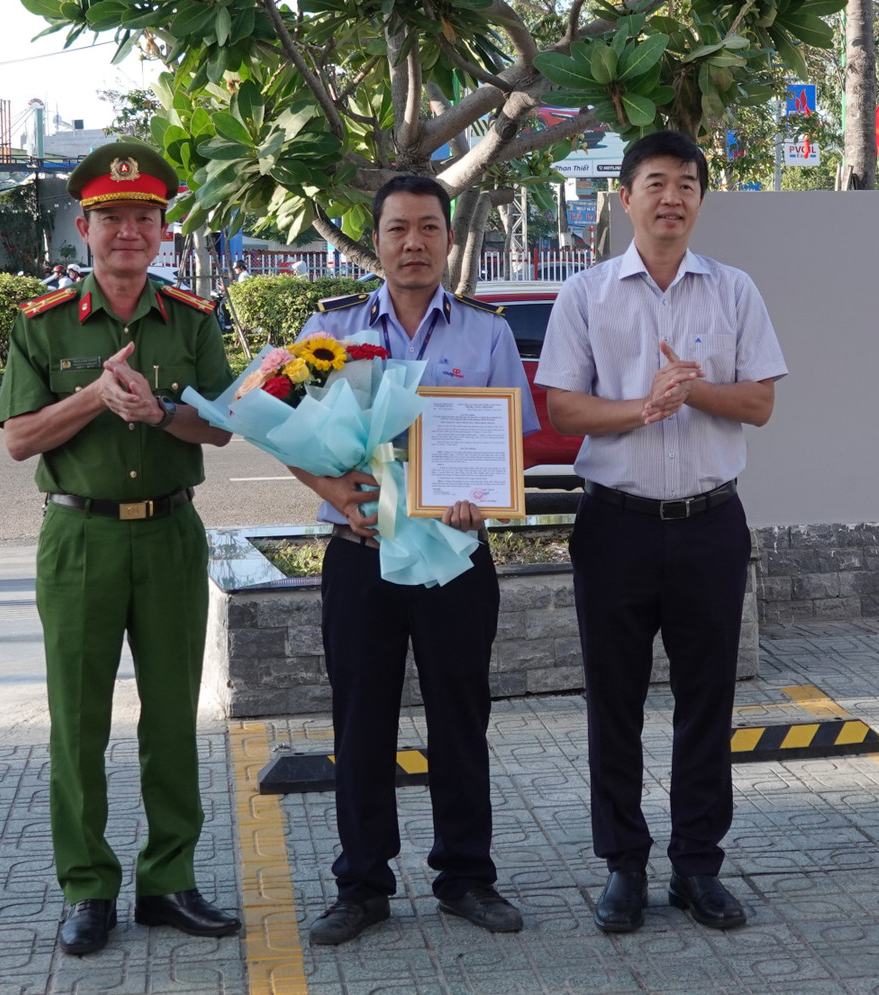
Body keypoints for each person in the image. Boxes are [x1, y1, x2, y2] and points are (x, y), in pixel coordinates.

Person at [536, 131, 787, 933]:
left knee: (707, 700)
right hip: (616, 526)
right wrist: (641, 407)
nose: (671, 197)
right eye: (655, 182)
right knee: (614, 700)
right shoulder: (586, 295)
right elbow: (562, 408)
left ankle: (696, 867)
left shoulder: (736, 291)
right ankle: (623, 865)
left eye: (686, 183)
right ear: (625, 198)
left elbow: (759, 402)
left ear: (701, 200)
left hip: (711, 524)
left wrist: (693, 390)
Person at [0, 141, 240, 956]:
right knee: (77, 724)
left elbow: (224, 424)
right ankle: (87, 886)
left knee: (173, 719)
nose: (127, 232)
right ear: (86, 227)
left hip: (171, 533)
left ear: (163, 230)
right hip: (80, 536)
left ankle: (169, 881)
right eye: (111, 218)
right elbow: (20, 440)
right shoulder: (44, 327)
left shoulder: (195, 321)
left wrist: (158, 412)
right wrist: (96, 396)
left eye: (144, 217)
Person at [286, 174, 539, 946]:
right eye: (398, 229)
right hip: (361, 553)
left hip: (456, 555)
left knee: (460, 716)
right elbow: (285, 431)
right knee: (361, 720)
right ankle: (362, 883)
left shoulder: (485, 333)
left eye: (430, 228)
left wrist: (480, 499)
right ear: (378, 239)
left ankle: (466, 874)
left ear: (450, 240)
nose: (414, 243)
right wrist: (337, 488)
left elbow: (512, 443)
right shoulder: (328, 331)